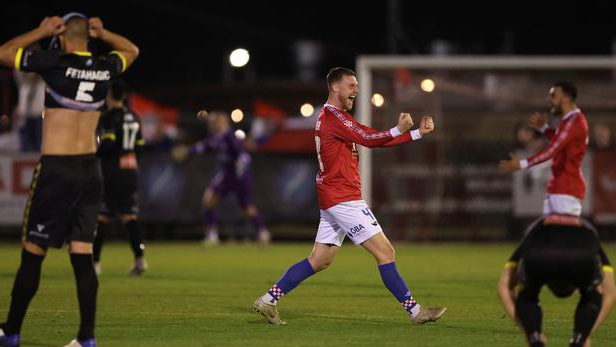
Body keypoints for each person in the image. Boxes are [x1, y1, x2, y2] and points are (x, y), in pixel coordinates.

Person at [0, 13, 138, 347]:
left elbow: (1, 54)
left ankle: (11, 330)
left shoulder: (55, 61)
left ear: (62, 37)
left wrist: (41, 30)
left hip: (57, 170)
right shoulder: (104, 65)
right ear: (88, 37)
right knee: (82, 253)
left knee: (32, 252)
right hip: (89, 170)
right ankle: (86, 336)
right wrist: (105, 31)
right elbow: (132, 50)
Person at [252, 67, 446, 325]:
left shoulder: (338, 117)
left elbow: (375, 139)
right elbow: (369, 138)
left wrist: (416, 133)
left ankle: (268, 300)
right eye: (351, 85)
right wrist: (398, 129)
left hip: (335, 196)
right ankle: (415, 311)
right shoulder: (334, 118)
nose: (356, 89)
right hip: (343, 198)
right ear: (335, 88)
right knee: (385, 253)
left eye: (356, 85)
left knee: (320, 260)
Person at [497, 214, 615, 347]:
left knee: (528, 295)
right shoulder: (586, 229)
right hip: (580, 259)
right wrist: (585, 334)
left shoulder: (537, 227)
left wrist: (528, 331)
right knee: (592, 295)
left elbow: (504, 286)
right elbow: (610, 292)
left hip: (541, 258)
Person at [499, 82, 588, 216]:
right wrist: (545, 129)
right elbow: (560, 142)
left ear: (566, 98)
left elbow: (553, 149)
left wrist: (522, 164)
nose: (548, 99)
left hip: (566, 190)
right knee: (550, 235)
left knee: (564, 235)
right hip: (558, 188)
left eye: (553, 95)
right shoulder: (568, 121)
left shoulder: (574, 122)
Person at [183, 110, 270, 246]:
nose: (210, 125)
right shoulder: (216, 136)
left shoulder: (230, 136)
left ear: (221, 122)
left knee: (247, 208)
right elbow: (203, 146)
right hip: (226, 175)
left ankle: (262, 232)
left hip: (239, 177)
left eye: (213, 122)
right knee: (208, 200)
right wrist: (187, 151)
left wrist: (240, 171)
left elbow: (243, 156)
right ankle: (212, 236)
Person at [93, 79, 147, 276]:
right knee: (129, 217)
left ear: (110, 95)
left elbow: (108, 144)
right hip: (130, 172)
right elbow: (140, 146)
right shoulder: (134, 116)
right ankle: (140, 260)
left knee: (102, 217)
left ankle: (95, 263)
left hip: (112, 173)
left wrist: (93, 154)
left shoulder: (108, 117)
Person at [14, 44, 45, 152]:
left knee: (39, 141)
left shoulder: (45, 67)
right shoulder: (23, 68)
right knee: (25, 142)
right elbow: (21, 79)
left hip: (40, 110)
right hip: (25, 111)